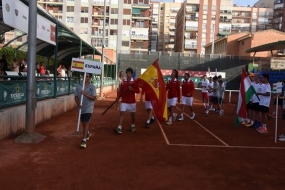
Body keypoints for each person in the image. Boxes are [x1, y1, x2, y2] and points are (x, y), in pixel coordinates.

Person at [114, 68, 140, 134]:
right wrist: (118, 97)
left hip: (132, 101)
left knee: (133, 114)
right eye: (127, 73)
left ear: (131, 74)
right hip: (124, 100)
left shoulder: (134, 81)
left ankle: (133, 125)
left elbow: (138, 91)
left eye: (129, 73)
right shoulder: (123, 81)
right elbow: (121, 90)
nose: (128, 74)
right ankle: (119, 127)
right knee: (121, 112)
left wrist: (132, 89)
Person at [74, 73, 97, 149]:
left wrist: (85, 94)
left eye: (87, 76)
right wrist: (78, 104)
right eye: (84, 76)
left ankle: (84, 140)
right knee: (83, 123)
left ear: (90, 78)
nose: (85, 78)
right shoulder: (79, 86)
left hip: (89, 107)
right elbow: (76, 97)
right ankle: (87, 133)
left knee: (86, 122)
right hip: (81, 108)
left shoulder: (92, 87)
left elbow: (94, 98)